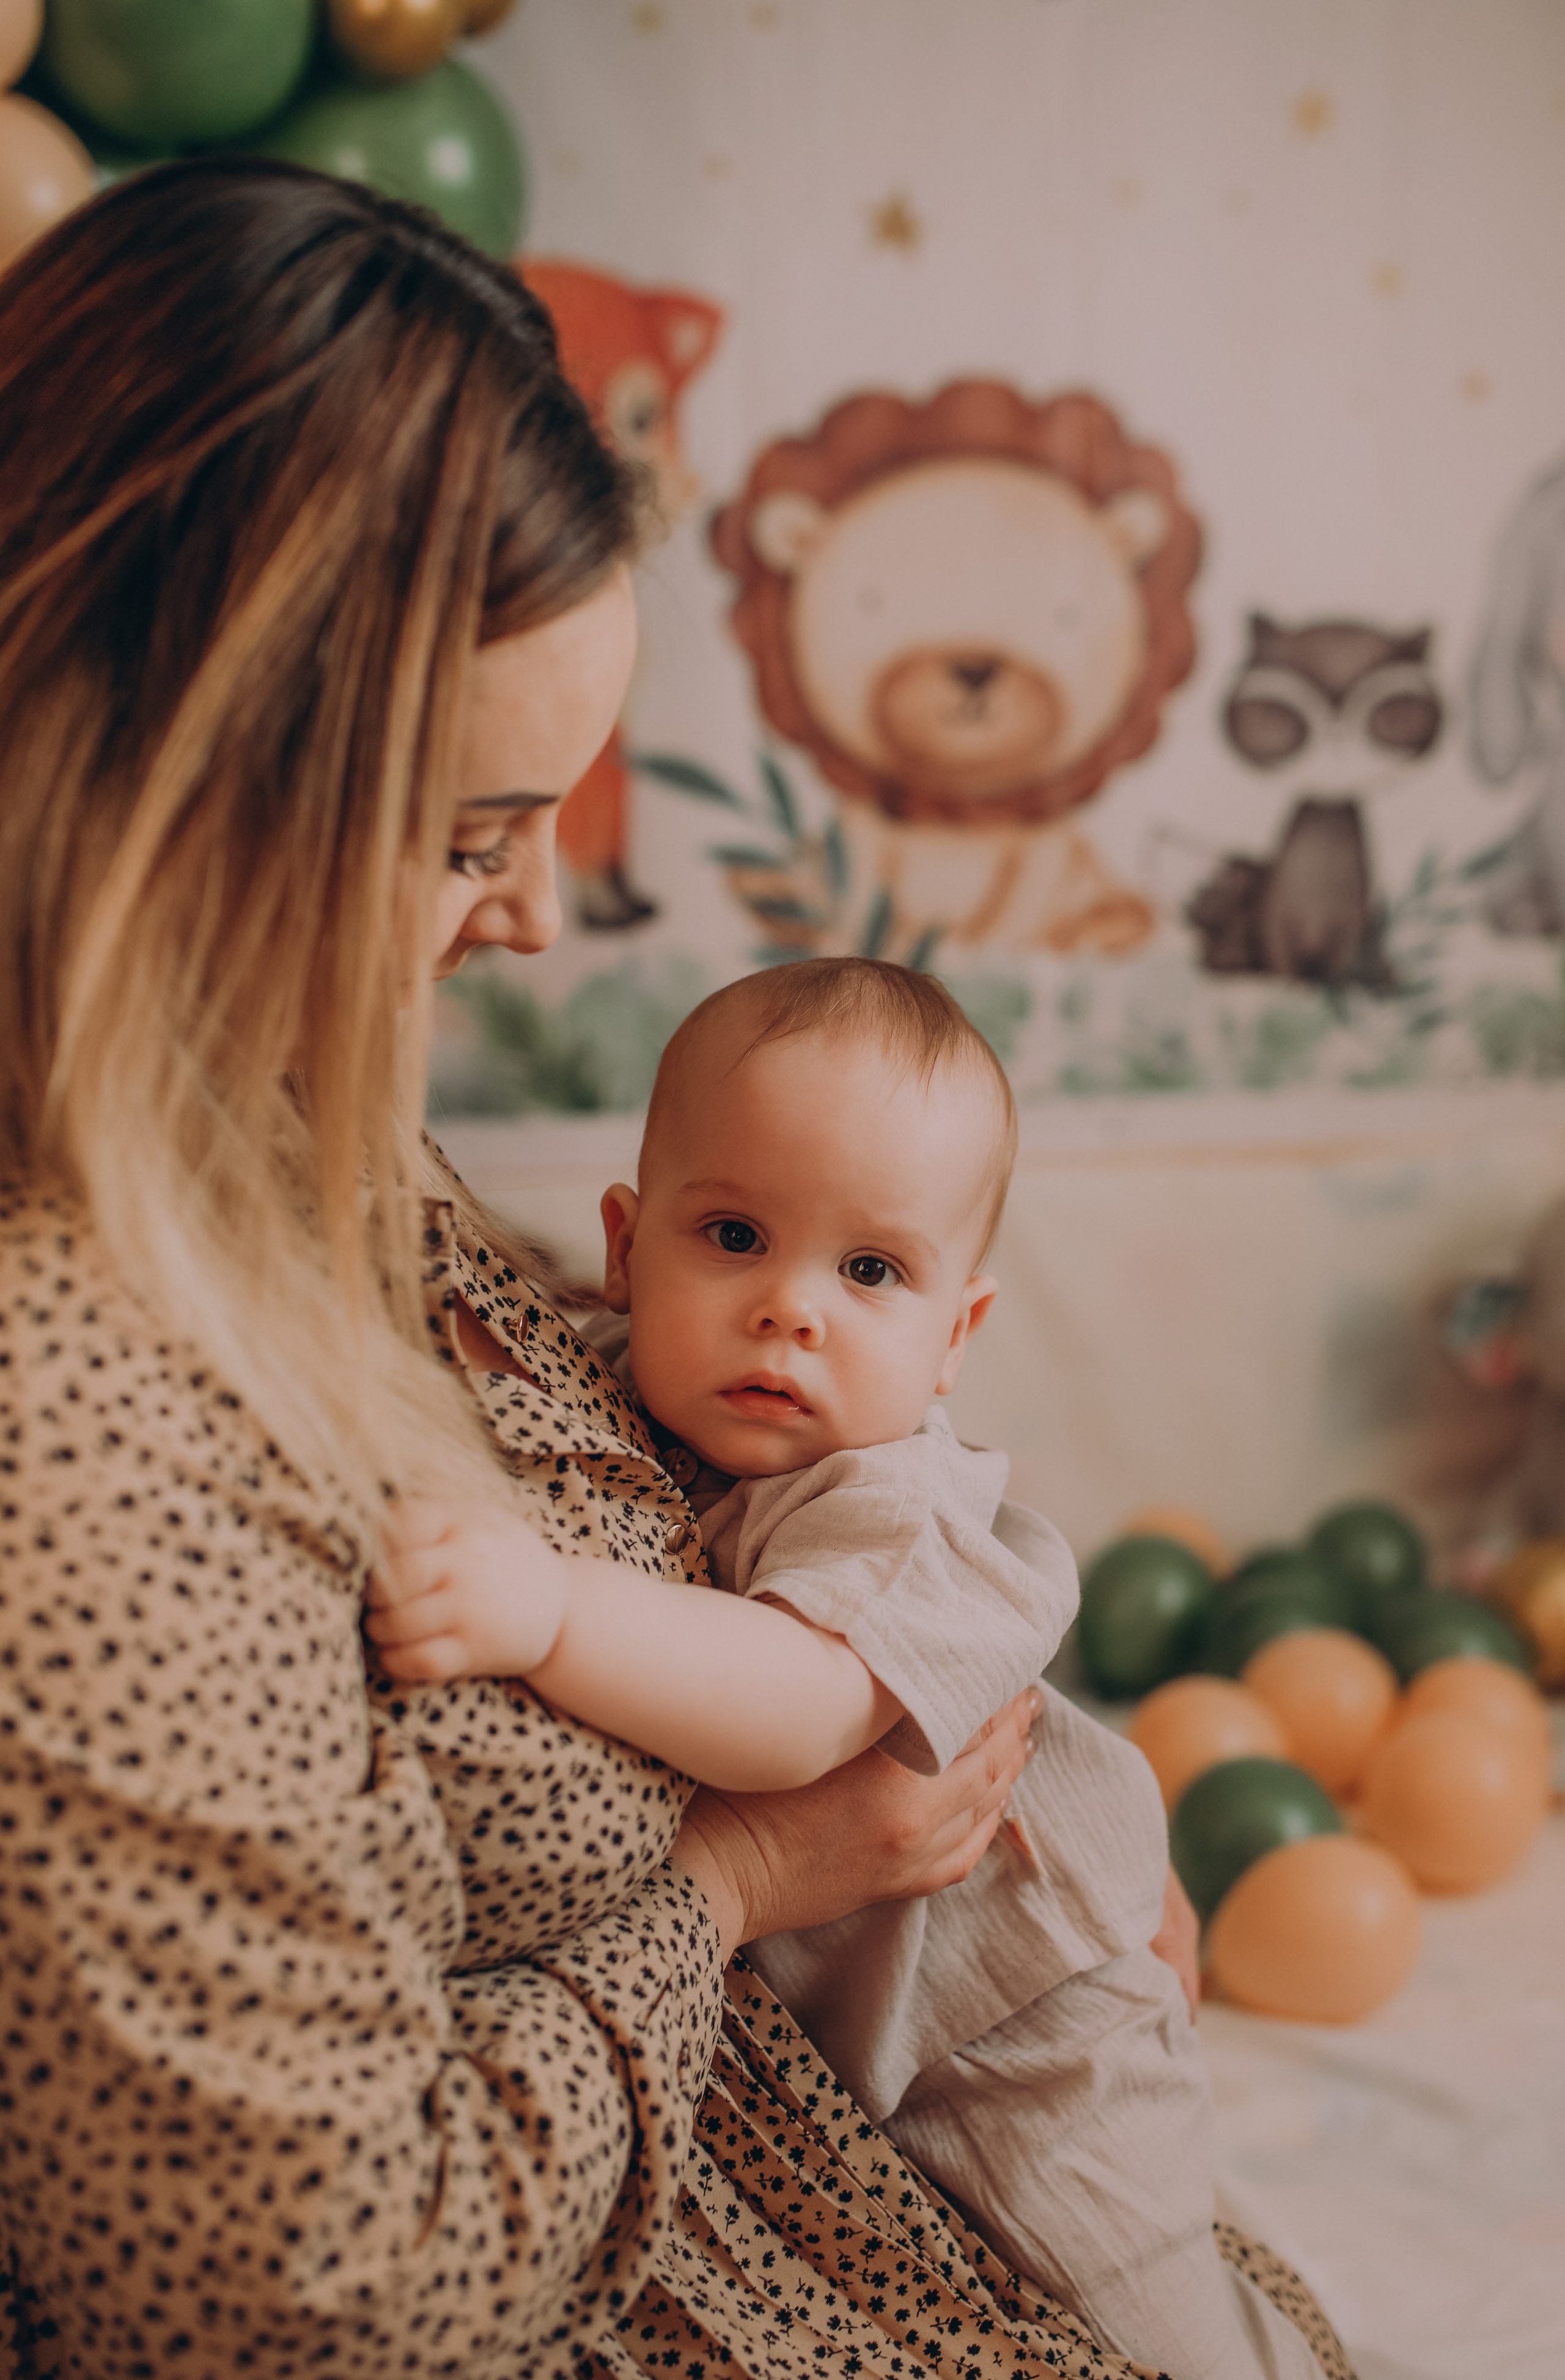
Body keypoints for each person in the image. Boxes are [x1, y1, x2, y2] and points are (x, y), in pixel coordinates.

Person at [0, 157, 1354, 2380]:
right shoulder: (73, 1427)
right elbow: (321, 2301)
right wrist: (751, 1878)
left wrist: (1057, 1823)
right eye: (470, 834)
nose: (538, 915)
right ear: (170, 784)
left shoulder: (270, 1110)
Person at [367, 956, 1330, 2380]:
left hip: (1026, 2035)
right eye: (735, 1234)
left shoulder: (889, 1500)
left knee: (1147, 2320)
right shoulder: (600, 1377)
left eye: (868, 1269)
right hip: (863, 2052)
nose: (790, 1308)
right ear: (624, 1248)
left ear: (955, 1335)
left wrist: (549, 1610)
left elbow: (800, 1709)